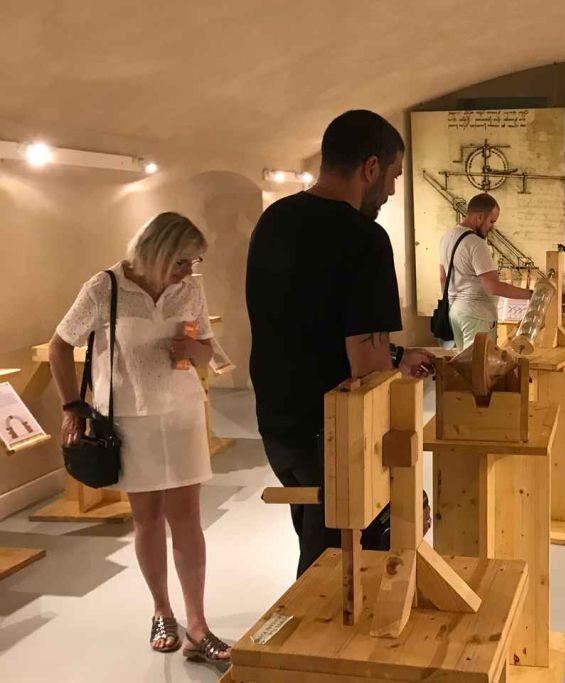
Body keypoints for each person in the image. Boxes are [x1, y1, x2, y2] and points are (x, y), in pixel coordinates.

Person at [246, 110, 433, 577]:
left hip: (279, 427)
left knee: (318, 544)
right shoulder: (364, 239)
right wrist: (402, 478)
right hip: (335, 431)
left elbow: (303, 326)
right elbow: (367, 372)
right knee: (344, 572)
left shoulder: (273, 220)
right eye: (393, 176)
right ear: (371, 167)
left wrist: (397, 355)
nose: (391, 191)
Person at [50, 212, 230, 663]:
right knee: (147, 519)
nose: (187, 271)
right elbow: (60, 344)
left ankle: (198, 625)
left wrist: (195, 350)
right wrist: (72, 405)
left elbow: (207, 347)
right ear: (156, 252)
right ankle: (162, 611)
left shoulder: (189, 289)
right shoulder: (105, 287)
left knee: (187, 520)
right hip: (130, 421)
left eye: (193, 262)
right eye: (181, 262)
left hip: (183, 415)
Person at [438, 193, 532, 351]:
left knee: (464, 363)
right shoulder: (476, 243)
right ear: (480, 217)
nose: (492, 227)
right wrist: (531, 294)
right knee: (480, 364)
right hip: (477, 315)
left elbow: (442, 278)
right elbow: (492, 286)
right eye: (491, 221)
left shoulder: (447, 237)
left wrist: (455, 304)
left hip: (455, 312)